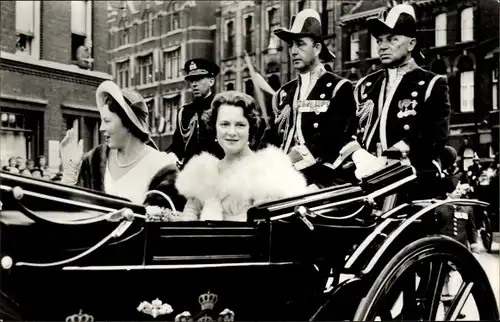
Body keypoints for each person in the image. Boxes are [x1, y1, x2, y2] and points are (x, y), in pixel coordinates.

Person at [340, 4, 451, 199]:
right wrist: (359, 156)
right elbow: (346, 130)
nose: (382, 46)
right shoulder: (366, 85)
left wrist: (386, 161)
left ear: (411, 44)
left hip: (411, 184)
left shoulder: (432, 84)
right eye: (379, 40)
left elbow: (433, 138)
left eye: (392, 39)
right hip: (364, 182)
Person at [175, 91, 308, 222]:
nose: (231, 132)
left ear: (250, 129)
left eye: (240, 125)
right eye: (224, 124)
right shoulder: (204, 173)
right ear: (214, 128)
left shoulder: (268, 172)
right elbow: (188, 219)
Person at [60, 80, 183, 207]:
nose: (101, 128)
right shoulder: (94, 162)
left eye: (107, 121)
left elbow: (169, 219)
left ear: (129, 123)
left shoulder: (162, 167)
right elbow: (72, 213)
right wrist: (70, 174)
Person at [271, 9, 357, 187]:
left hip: (319, 180)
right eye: (290, 46)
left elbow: (333, 139)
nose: (293, 51)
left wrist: (289, 162)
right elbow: (271, 136)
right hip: (279, 176)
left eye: (300, 44)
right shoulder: (284, 93)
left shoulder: (339, 88)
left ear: (317, 48)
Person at [167, 58, 224, 169]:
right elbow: (177, 146)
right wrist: (170, 156)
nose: (194, 84)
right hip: (189, 174)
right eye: (192, 80)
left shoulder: (221, 109)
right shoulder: (184, 112)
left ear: (211, 81)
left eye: (198, 79)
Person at [435, 182, 481, 318]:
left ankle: (455, 306)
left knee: (457, 278)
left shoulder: (467, 208)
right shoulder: (439, 208)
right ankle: (448, 309)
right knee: (443, 278)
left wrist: (474, 245)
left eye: (460, 190)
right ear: (448, 193)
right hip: (444, 247)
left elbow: (471, 229)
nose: (458, 192)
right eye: (456, 189)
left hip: (461, 249)